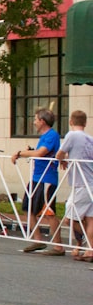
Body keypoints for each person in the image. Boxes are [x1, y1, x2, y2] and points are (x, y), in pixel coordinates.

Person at [12, 107, 63, 255]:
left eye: (35, 119)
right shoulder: (44, 137)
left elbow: (41, 153)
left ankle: (58, 246)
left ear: (42, 121)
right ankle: (38, 239)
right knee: (29, 209)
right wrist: (30, 150)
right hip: (36, 177)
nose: (34, 122)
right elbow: (40, 151)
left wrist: (20, 153)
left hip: (47, 179)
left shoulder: (52, 135)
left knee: (49, 212)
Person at [55, 110, 93, 262]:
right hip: (90, 182)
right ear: (85, 122)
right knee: (90, 219)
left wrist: (62, 160)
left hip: (81, 184)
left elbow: (59, 153)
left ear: (71, 121)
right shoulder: (90, 139)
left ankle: (86, 245)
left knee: (70, 219)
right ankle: (89, 250)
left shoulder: (72, 135)